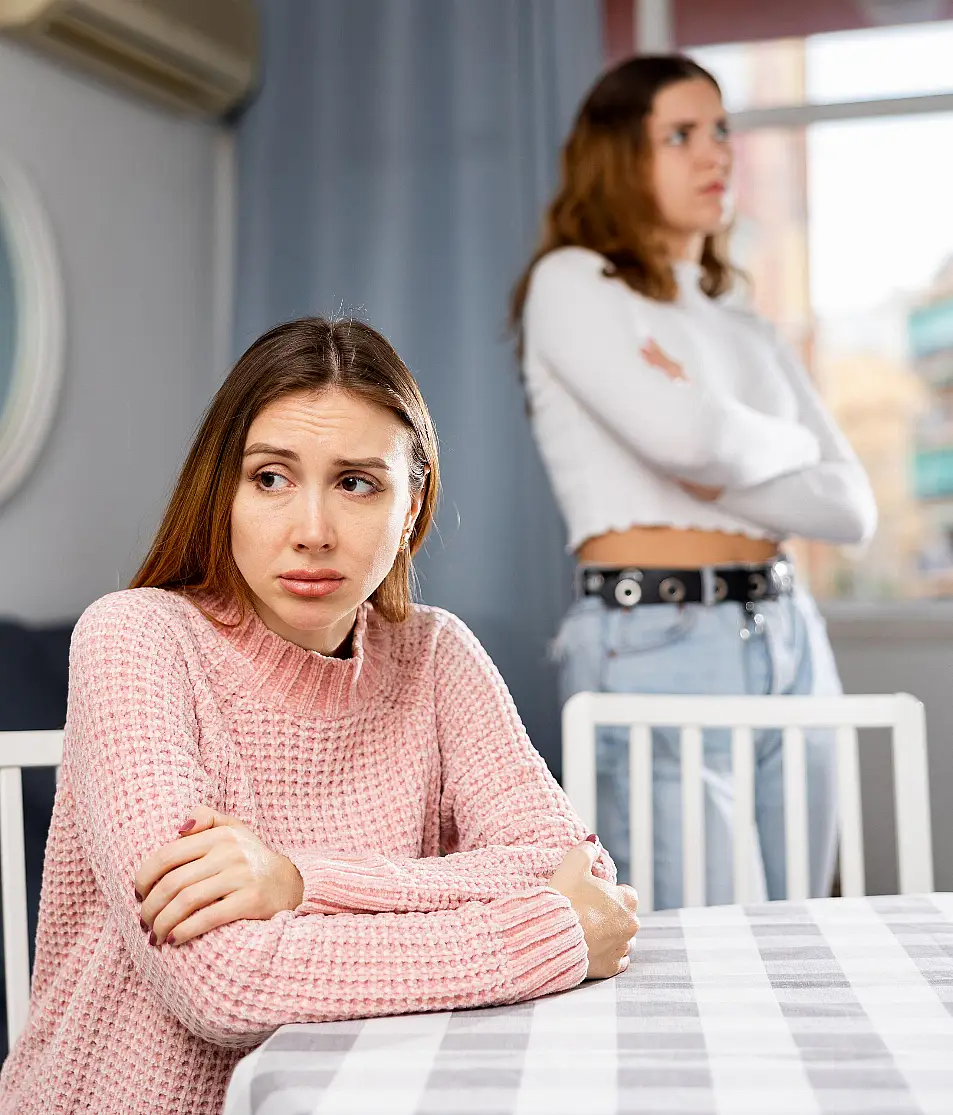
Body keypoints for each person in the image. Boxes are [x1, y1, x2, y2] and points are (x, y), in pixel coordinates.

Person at [0, 318, 639, 1115]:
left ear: (412, 507)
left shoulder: (438, 656)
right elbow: (223, 983)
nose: (310, 531)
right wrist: (547, 936)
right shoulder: (134, 637)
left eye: (356, 482)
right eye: (270, 478)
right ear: (222, 492)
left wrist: (298, 881)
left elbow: (569, 867)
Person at [510, 55, 876, 909]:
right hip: (656, 637)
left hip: (788, 632)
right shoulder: (572, 284)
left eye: (720, 131)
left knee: (800, 931)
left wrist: (715, 460)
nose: (715, 154)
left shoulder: (744, 324)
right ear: (617, 157)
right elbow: (687, 437)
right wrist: (763, 448)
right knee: (695, 942)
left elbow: (849, 506)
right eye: (681, 134)